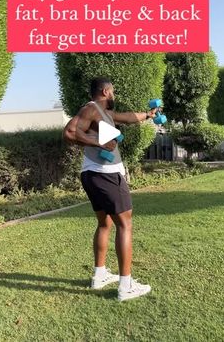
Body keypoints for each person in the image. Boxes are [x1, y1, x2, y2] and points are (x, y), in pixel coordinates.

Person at [63, 77, 157, 301]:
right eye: (112, 92)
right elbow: (70, 132)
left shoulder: (104, 113)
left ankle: (100, 274)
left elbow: (128, 117)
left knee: (104, 223)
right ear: (106, 91)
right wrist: (99, 143)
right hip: (105, 175)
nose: (114, 95)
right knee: (125, 225)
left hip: (95, 174)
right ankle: (126, 287)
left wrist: (148, 115)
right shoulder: (91, 108)